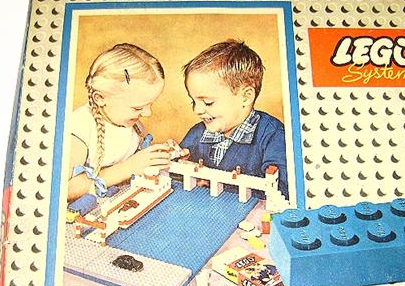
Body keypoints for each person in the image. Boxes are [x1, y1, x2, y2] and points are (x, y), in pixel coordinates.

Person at [180, 39, 288, 198]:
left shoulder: (273, 136)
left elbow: (283, 191)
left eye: (208, 102)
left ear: (246, 97)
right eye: (193, 102)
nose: (197, 110)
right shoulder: (198, 132)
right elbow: (178, 176)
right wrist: (177, 159)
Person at [68, 43, 170, 201]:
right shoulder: (80, 128)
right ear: (100, 98)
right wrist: (127, 168)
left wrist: (160, 155)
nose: (148, 113)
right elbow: (65, 189)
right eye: (138, 108)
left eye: (150, 104)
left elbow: (137, 158)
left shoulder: (128, 121)